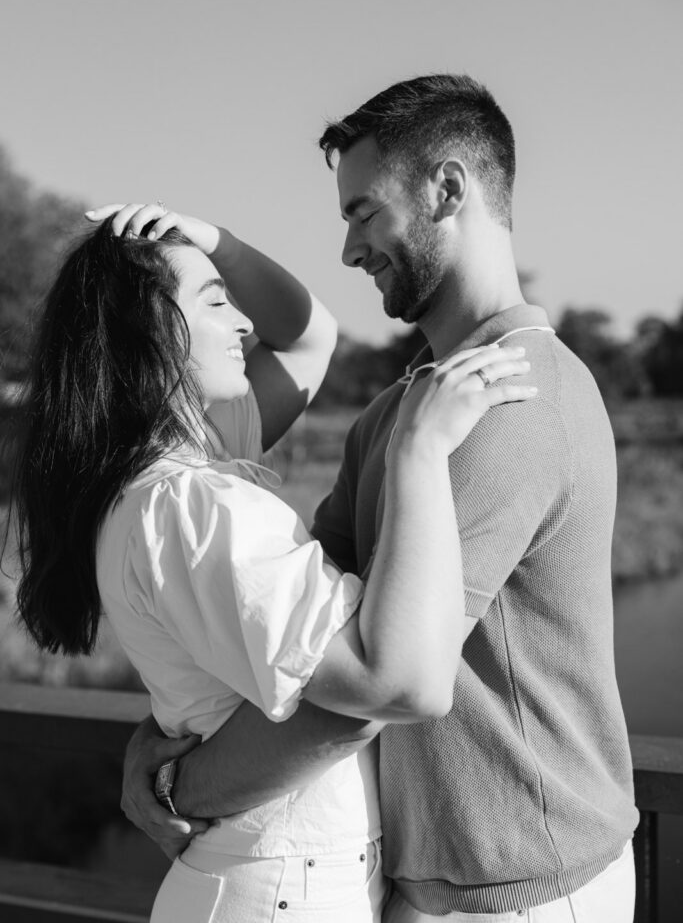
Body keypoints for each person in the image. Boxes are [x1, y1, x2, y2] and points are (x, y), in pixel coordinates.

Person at [119, 75, 640, 923]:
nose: (349, 251)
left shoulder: (510, 399)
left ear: (446, 190)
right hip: (436, 881)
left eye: (363, 213)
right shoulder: (402, 411)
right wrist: (165, 728)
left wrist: (177, 785)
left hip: (520, 889)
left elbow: (378, 689)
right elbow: (303, 637)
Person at [10, 198, 534, 922]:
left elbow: (308, 337)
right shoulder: (197, 505)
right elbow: (393, 687)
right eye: (215, 301)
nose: (244, 323)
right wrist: (418, 449)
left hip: (272, 874)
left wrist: (212, 242)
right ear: (150, 330)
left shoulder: (157, 474)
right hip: (282, 885)